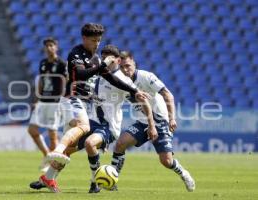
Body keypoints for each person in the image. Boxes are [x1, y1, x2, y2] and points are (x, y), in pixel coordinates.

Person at [31, 23, 149, 193]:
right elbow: (80, 74)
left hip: (99, 119)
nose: (97, 44)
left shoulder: (103, 65)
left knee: (71, 147)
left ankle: (49, 177)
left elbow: (112, 79)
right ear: (84, 38)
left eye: (99, 40)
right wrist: (101, 67)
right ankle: (63, 157)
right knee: (82, 130)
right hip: (73, 99)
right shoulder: (76, 54)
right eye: (94, 40)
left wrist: (135, 90)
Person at [110, 51, 196, 192]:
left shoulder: (146, 77)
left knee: (166, 161)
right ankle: (112, 179)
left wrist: (172, 118)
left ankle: (183, 173)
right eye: (123, 67)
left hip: (160, 121)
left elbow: (168, 95)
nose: (126, 70)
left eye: (128, 66)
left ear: (134, 63)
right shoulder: (121, 82)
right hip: (142, 122)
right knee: (120, 144)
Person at [27, 37, 67, 172]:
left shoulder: (61, 64)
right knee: (32, 130)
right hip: (43, 101)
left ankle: (53, 166)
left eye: (52, 45)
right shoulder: (43, 63)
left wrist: (63, 100)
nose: (49, 48)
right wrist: (36, 99)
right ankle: (47, 155)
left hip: (55, 102)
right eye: (47, 46)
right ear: (44, 48)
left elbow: (65, 83)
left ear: (56, 47)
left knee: (52, 134)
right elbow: (41, 82)